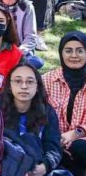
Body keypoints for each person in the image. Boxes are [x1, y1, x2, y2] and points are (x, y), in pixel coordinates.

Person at [0, 63, 65, 176]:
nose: (24, 86)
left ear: (37, 87)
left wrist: (44, 167)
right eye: (18, 81)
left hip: (37, 167)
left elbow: (54, 147)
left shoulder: (46, 111)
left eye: (29, 82)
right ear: (9, 85)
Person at [43, 31, 86, 175]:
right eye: (68, 51)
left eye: (80, 51)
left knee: (80, 148)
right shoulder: (47, 80)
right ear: (61, 53)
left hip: (82, 141)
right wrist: (56, 138)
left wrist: (77, 133)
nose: (74, 55)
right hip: (53, 141)